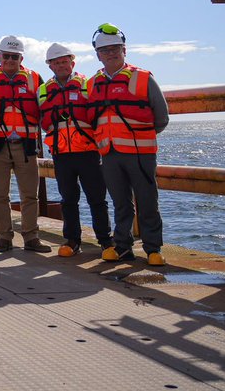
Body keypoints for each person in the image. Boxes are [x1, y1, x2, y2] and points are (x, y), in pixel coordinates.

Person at [87, 24, 170, 266]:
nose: (110, 53)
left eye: (115, 49)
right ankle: (122, 247)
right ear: (98, 55)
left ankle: (153, 249)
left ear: (124, 50)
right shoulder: (92, 83)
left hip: (140, 152)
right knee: (120, 203)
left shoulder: (143, 78)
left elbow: (161, 117)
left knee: (147, 201)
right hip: (110, 153)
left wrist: (141, 136)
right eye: (105, 50)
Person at [40, 42, 111, 258]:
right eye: (56, 63)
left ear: (73, 62)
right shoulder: (44, 90)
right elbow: (42, 119)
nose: (61, 65)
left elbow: (98, 114)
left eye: (65, 61)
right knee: (68, 199)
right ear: (50, 66)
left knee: (97, 198)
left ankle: (106, 241)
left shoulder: (87, 84)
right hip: (62, 153)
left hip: (88, 151)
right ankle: (72, 241)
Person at [0, 36, 51, 253]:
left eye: (15, 57)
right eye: (6, 56)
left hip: (26, 145)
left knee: (30, 194)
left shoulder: (35, 79)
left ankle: (31, 237)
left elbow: (46, 109)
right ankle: (4, 237)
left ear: (21, 58)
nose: (10, 60)